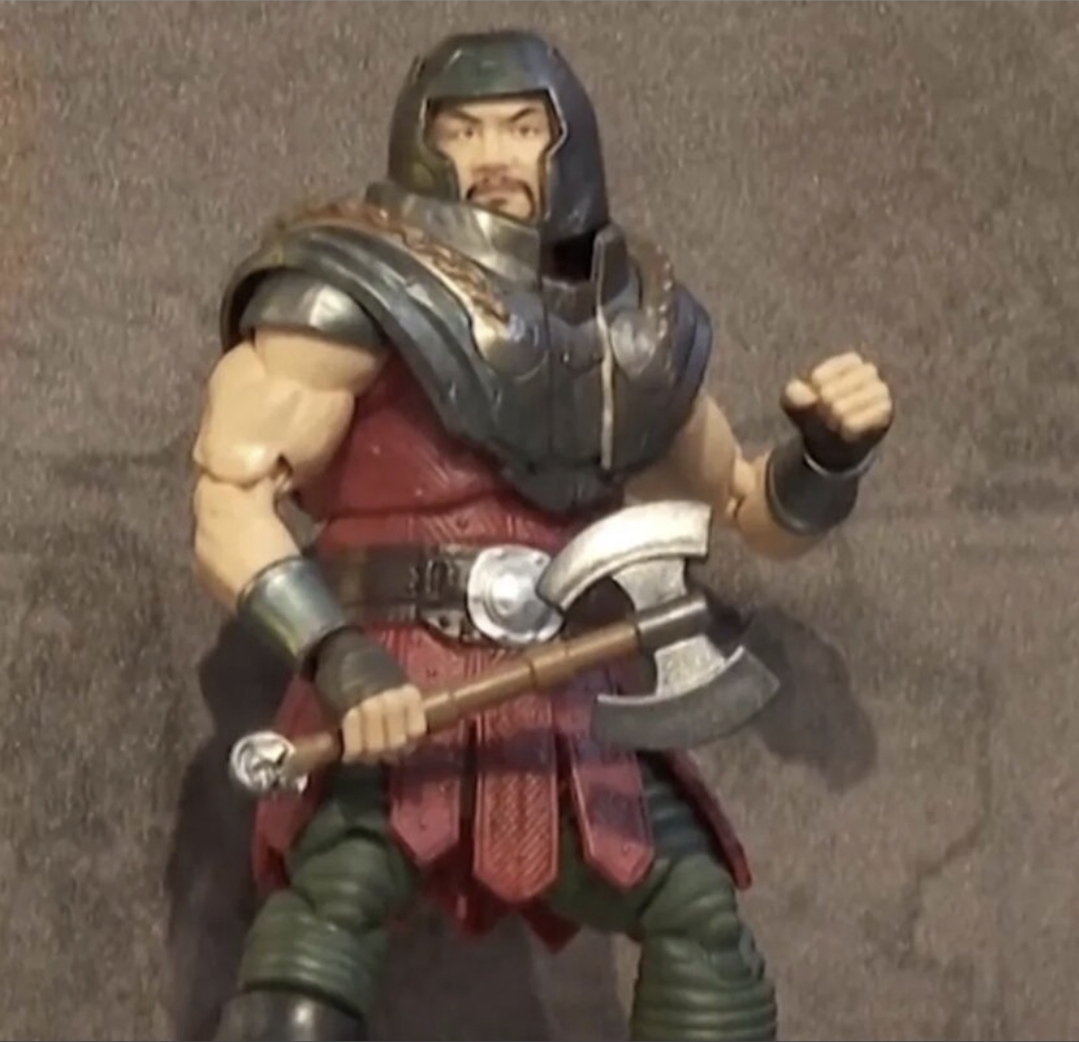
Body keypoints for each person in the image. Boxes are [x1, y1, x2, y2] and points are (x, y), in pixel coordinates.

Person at [191, 29, 893, 1042]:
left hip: (568, 697)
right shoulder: (343, 290)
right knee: (329, 905)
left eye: (522, 129)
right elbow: (228, 501)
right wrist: (340, 658)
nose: (492, 156)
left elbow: (744, 509)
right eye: (463, 131)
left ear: (568, 145)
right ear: (420, 144)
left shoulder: (626, 324)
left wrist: (824, 456)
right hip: (399, 679)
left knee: (697, 917)